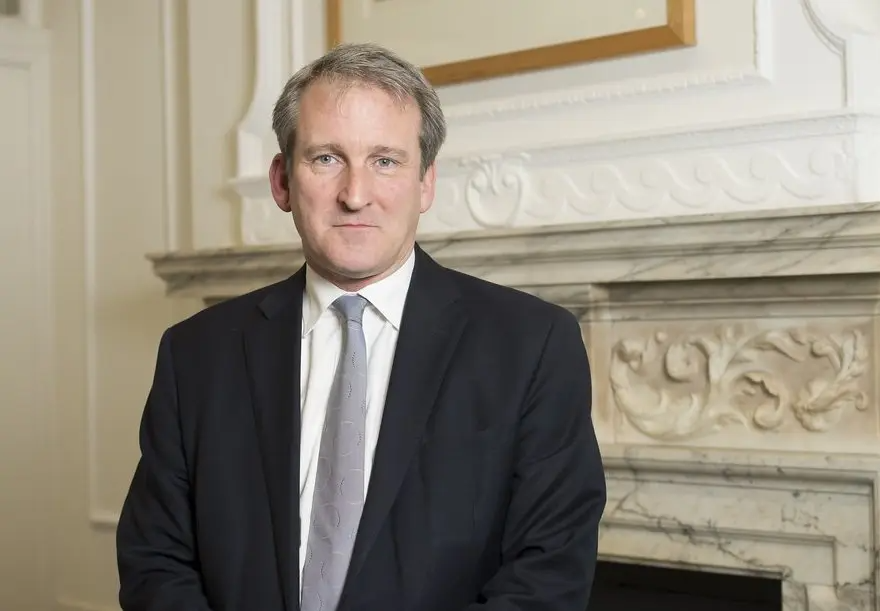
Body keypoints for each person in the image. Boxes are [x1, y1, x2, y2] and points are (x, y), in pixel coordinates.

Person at [116, 42, 607, 611]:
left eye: (385, 161)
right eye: (326, 158)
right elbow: (156, 563)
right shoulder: (197, 354)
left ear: (426, 183)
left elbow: (547, 577)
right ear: (282, 181)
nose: (355, 195)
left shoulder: (532, 345)